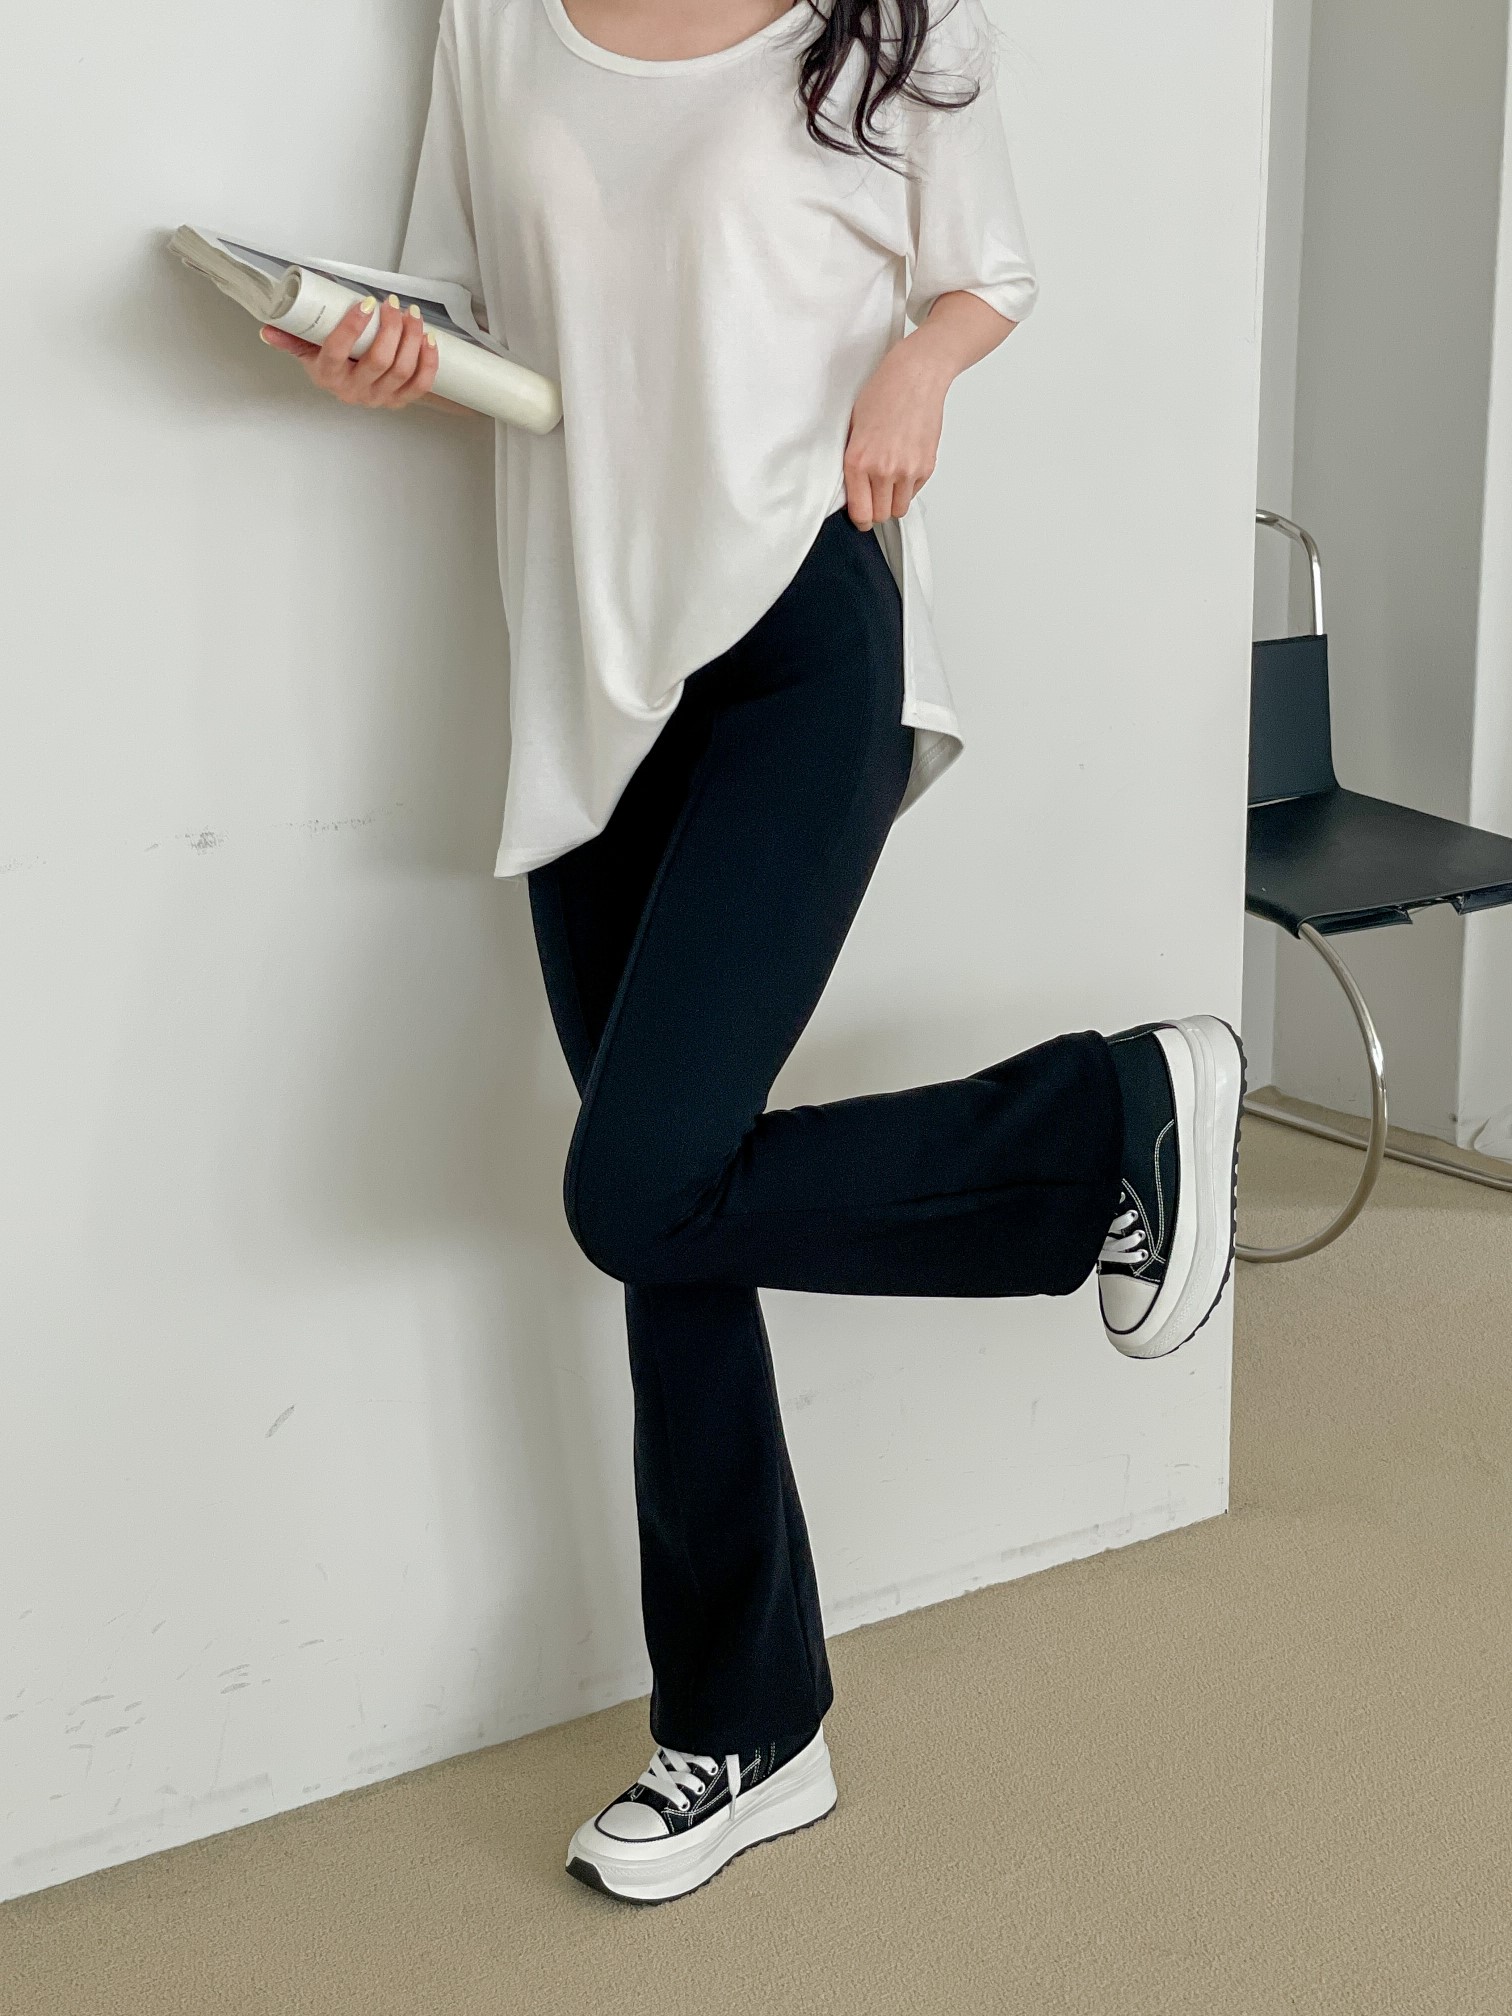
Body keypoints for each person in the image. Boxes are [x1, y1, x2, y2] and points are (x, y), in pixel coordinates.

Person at [260, 0, 1246, 1907]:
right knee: (675, 1210)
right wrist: (385, 353)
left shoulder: (884, 19)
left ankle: (1108, 1117)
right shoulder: (494, 21)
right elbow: (464, 303)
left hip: (798, 626)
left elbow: (988, 267)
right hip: (589, 664)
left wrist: (922, 363)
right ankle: (747, 1725)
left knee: (639, 1188)